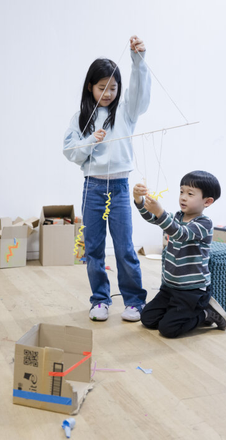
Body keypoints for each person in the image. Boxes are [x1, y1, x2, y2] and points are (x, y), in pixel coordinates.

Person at [63, 35, 151, 322]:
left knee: (125, 246)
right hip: (94, 187)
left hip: (121, 186)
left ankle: (134, 302)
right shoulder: (81, 117)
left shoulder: (126, 112)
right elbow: (70, 152)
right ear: (91, 86)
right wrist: (91, 141)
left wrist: (138, 59)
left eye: (114, 87)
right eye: (103, 87)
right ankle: (100, 300)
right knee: (94, 248)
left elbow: (139, 94)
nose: (109, 93)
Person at [133, 170, 226, 338]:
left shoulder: (204, 224)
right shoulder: (177, 217)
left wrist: (160, 212)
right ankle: (178, 313)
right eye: (181, 192)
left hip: (191, 291)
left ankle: (206, 313)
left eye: (190, 194)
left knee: (168, 329)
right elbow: (152, 217)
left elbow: (180, 233)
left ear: (207, 201)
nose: (183, 197)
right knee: (147, 319)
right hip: (170, 286)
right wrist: (139, 200)